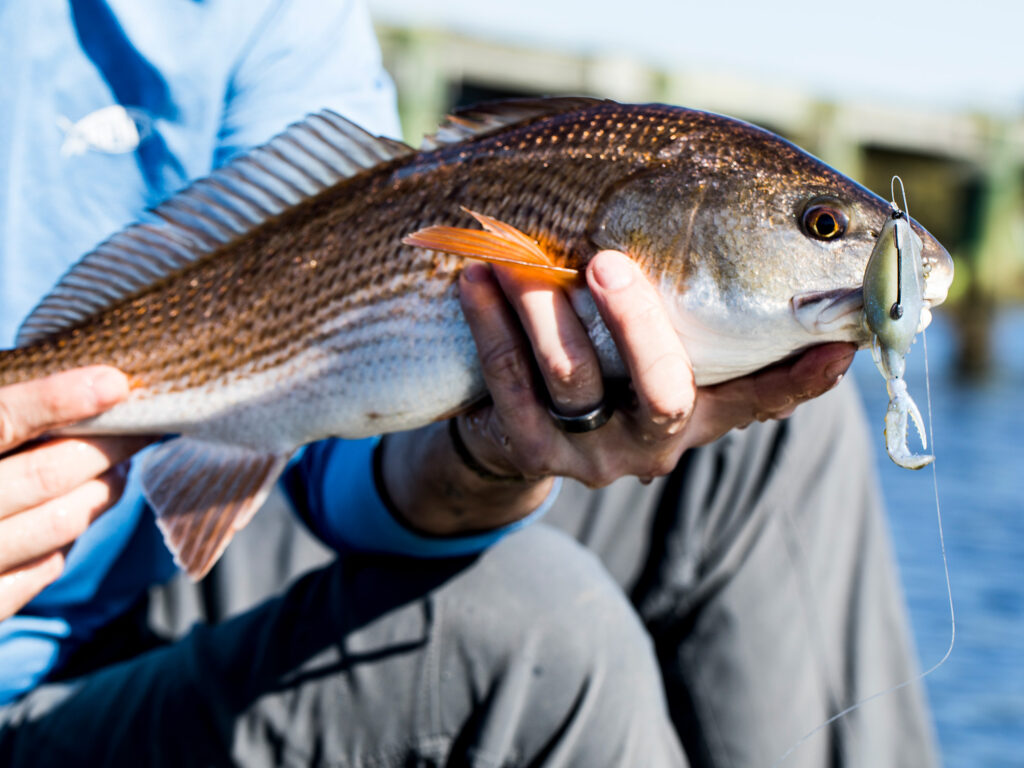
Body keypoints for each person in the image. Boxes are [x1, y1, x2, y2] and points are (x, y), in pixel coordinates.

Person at [0, 1, 939, 765]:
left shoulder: (252, 15)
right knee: (540, 624)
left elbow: (338, 467)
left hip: (191, 502)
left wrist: (487, 456)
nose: (869, 259)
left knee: (782, 429)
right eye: (822, 226)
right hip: (31, 656)